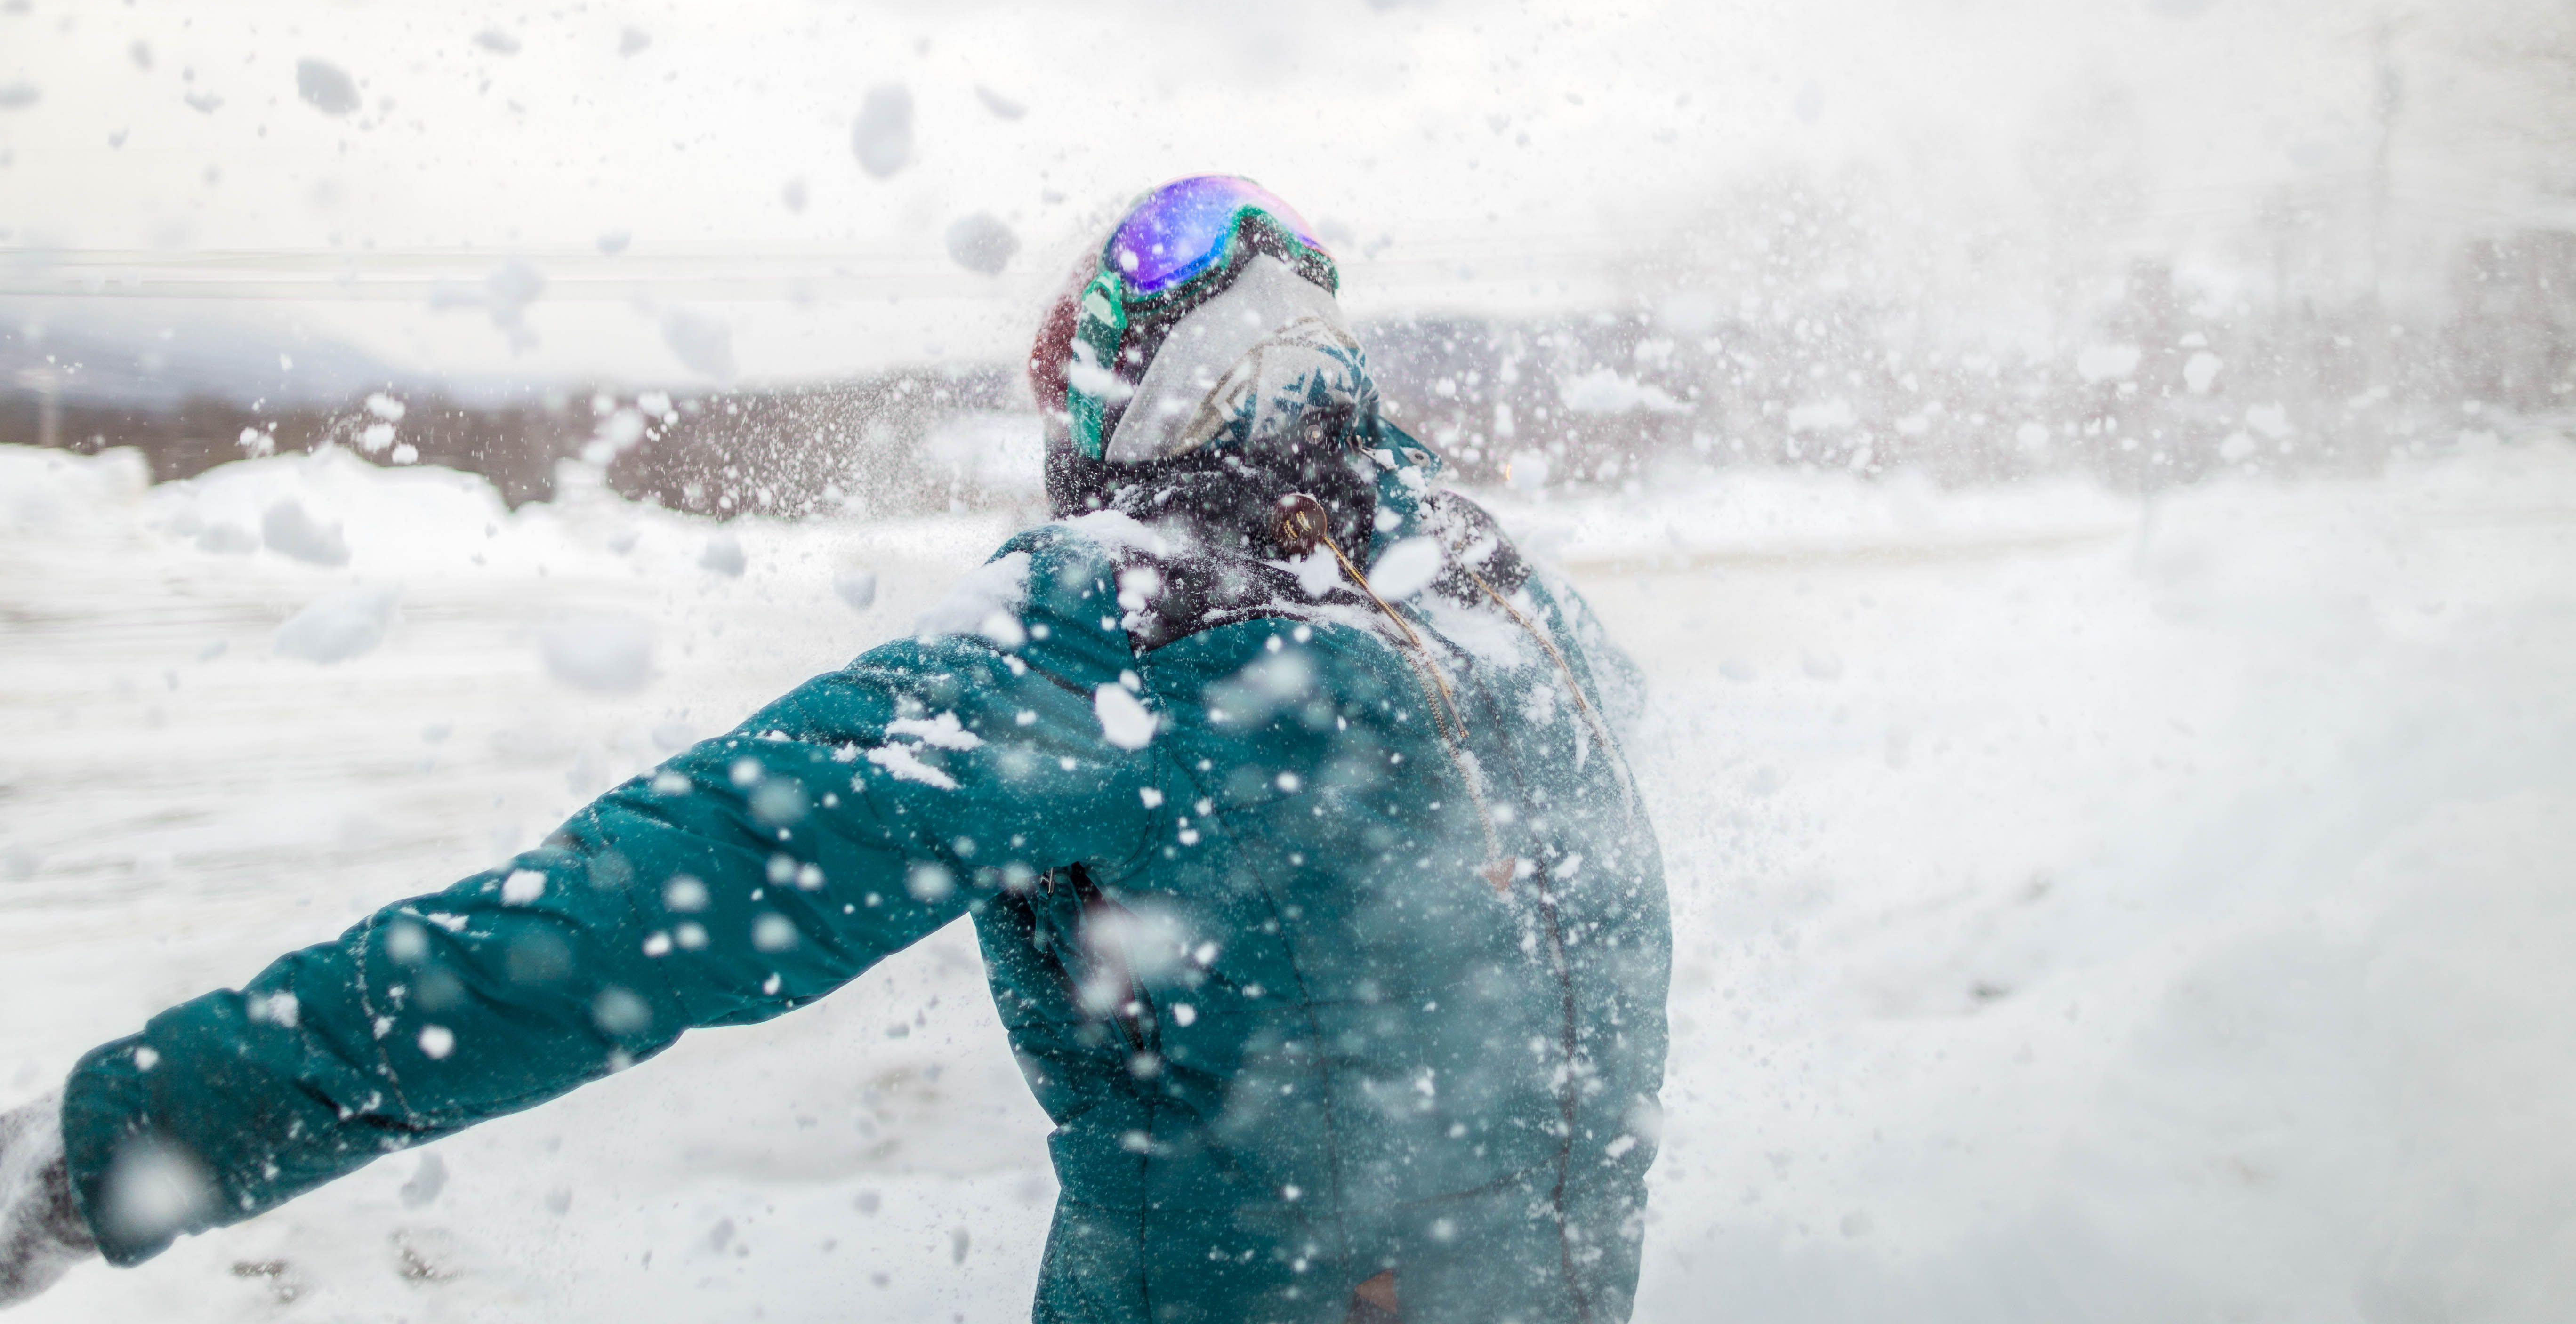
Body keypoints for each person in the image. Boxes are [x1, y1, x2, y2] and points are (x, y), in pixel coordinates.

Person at [0, 175, 1670, 1323]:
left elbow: (591, 935)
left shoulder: (1113, 636)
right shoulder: (1502, 607)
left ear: (1116, 388)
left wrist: (109, 1145)